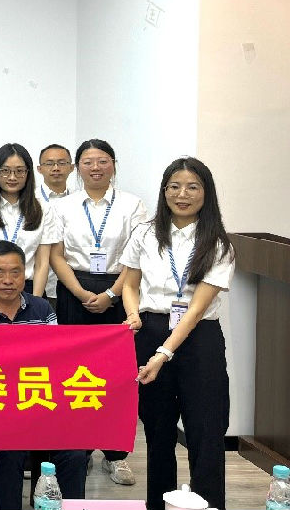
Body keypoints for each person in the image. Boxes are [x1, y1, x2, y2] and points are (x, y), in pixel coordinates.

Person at [119, 157, 234, 510]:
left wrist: (163, 354)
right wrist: (133, 314)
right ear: (164, 191)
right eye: (174, 187)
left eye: (192, 187)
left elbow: (196, 309)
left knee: (206, 433)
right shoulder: (144, 233)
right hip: (151, 329)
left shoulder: (218, 243)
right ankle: (157, 505)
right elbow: (130, 284)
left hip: (199, 339)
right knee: (158, 433)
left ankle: (209, 504)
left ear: (206, 192)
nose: (182, 195)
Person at [0, 241, 86, 509]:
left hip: (36, 401)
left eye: (15, 272)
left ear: (25, 273)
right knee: (9, 448)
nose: (8, 280)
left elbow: (56, 361)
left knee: (75, 451)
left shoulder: (42, 309)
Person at [48, 139, 147, 486]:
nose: (95, 168)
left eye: (102, 161)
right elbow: (56, 255)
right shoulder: (63, 205)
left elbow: (136, 256)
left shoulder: (132, 205)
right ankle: (79, 450)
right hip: (74, 289)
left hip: (120, 289)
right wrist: (79, 292)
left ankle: (116, 455)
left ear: (113, 165)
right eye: (88, 162)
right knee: (75, 374)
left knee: (116, 375)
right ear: (78, 168)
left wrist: (111, 294)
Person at [0, 143, 59, 301]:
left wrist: (35, 303)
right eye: (5, 171)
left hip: (30, 289)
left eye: (19, 171)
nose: (12, 177)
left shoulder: (43, 209)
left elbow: (42, 263)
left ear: (28, 173)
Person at [34, 144, 75, 306]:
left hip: (73, 286)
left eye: (62, 163)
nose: (56, 168)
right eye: (49, 163)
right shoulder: (30, 201)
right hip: (40, 285)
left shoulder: (79, 200)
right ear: (39, 169)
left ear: (72, 167)